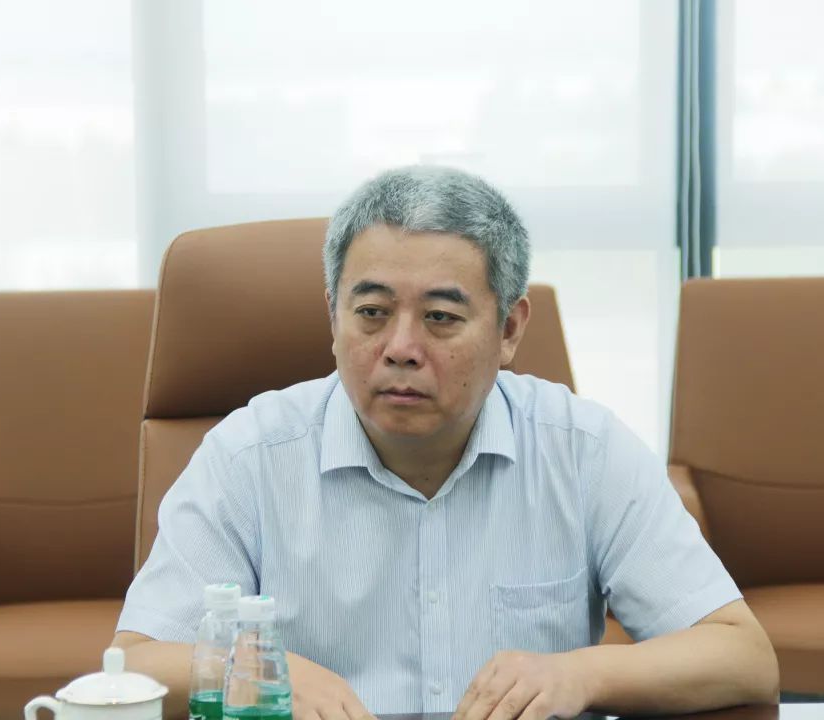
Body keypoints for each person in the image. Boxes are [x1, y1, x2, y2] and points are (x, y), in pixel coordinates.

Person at [112, 166, 779, 720]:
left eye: (440, 317)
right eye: (372, 313)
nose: (401, 348)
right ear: (333, 316)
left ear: (509, 329)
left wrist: (577, 675)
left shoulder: (583, 450)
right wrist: (255, 672)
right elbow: (137, 662)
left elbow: (742, 657)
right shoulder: (248, 455)